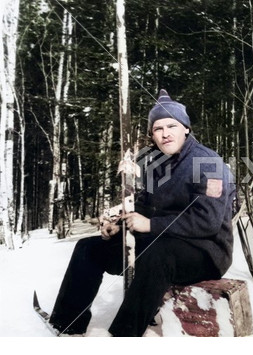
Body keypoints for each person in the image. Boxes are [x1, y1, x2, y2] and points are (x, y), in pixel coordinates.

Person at [49, 89, 235, 337]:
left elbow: (207, 221)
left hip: (206, 251)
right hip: (161, 241)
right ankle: (67, 324)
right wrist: (120, 224)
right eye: (158, 128)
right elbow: (146, 207)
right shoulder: (156, 164)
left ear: (186, 128)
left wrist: (150, 225)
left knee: (157, 254)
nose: (165, 133)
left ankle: (124, 336)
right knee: (89, 248)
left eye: (172, 125)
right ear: (152, 134)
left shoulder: (207, 162)